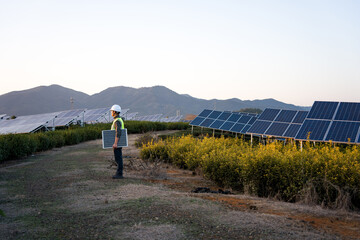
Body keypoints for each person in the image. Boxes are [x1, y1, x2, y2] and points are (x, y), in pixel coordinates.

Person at [110, 104, 125, 179]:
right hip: (119, 142)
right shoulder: (119, 119)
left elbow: (118, 132)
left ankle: (119, 174)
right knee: (118, 158)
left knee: (118, 158)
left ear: (115, 112)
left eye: (112, 111)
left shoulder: (117, 121)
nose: (111, 112)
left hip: (117, 143)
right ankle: (119, 173)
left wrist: (115, 143)